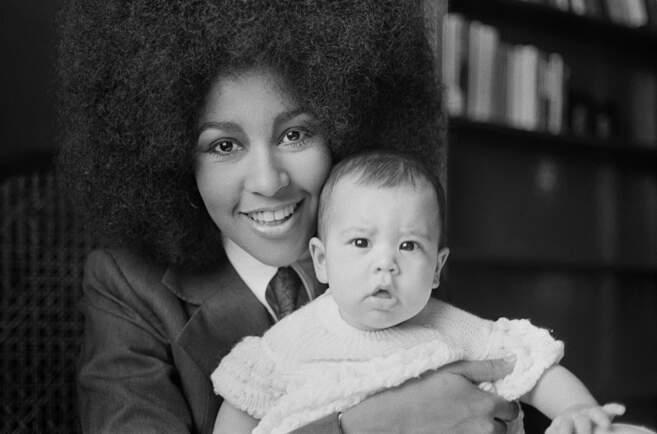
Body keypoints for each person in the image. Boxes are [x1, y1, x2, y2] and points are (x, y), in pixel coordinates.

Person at [58, 0, 522, 432]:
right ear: (171, 157)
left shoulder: (398, 251)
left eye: (295, 134)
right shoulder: (127, 288)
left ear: (347, 125)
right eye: (223, 145)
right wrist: (368, 426)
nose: (268, 181)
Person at [210, 151, 626, 434]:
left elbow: (534, 369)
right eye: (360, 243)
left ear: (436, 269)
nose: (386, 263)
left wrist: (575, 409)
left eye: (408, 246)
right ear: (321, 260)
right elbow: (241, 404)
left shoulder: (456, 330)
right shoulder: (288, 342)